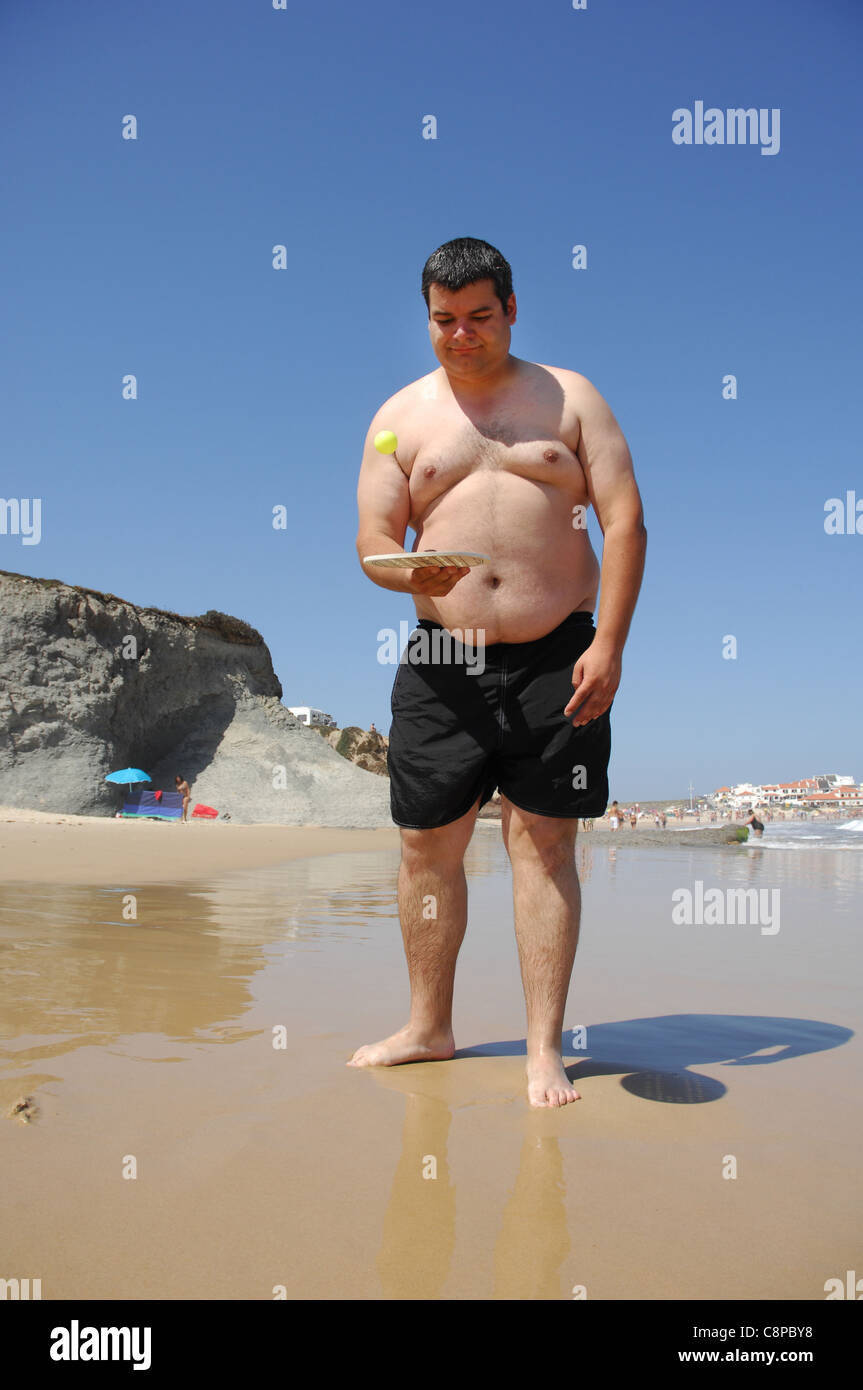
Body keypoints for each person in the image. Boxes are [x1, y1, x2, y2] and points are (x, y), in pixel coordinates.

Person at [349, 238, 646, 1108]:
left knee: (544, 844)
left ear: (511, 310)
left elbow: (623, 523)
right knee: (423, 848)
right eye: (443, 320)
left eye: (479, 316)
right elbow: (372, 541)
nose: (461, 335)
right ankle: (427, 1027)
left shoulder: (569, 397)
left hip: (560, 652)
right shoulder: (400, 416)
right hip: (443, 658)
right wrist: (402, 571)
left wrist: (610, 645)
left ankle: (543, 1049)